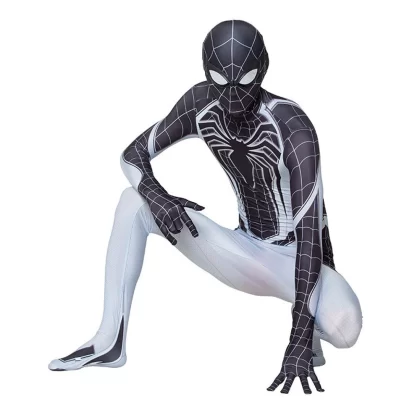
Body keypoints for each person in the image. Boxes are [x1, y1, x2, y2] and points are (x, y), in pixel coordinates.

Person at [49, 20, 362, 394]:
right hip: (244, 250)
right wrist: (158, 197)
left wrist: (299, 337)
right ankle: (108, 341)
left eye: (243, 81)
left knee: (346, 328)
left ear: (262, 69)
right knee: (133, 200)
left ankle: (311, 330)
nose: (231, 96)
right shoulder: (200, 102)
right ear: (206, 72)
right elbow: (132, 155)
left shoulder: (292, 125)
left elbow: (311, 231)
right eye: (219, 81)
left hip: (295, 255)